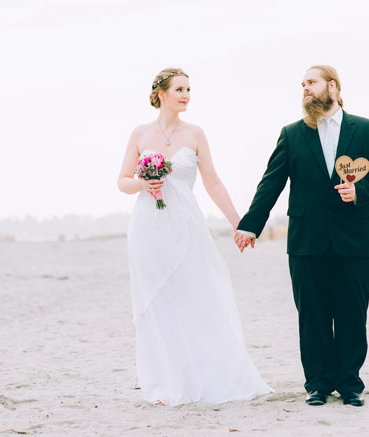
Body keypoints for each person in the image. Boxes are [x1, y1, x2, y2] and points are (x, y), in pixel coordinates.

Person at [235, 65, 369, 407]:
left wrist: (361, 191)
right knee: (313, 315)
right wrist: (251, 224)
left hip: (354, 239)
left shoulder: (367, 129)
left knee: (353, 312)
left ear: (333, 87)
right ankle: (318, 384)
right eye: (302, 85)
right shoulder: (292, 134)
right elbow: (272, 182)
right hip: (306, 241)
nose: (305, 89)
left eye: (311, 82)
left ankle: (350, 384)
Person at [117, 67, 272, 406]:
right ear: (161, 94)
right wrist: (144, 184)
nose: (186, 95)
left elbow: (213, 182)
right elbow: (122, 181)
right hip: (147, 229)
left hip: (187, 227)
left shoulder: (196, 134)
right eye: (180, 89)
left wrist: (239, 222)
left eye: (189, 89)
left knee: (197, 296)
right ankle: (165, 383)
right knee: (158, 304)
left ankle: (204, 376)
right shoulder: (140, 133)